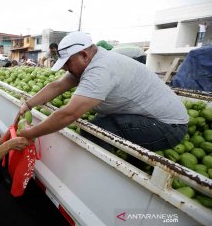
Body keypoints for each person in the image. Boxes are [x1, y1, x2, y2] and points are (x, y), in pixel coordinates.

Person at [17, 31, 188, 153]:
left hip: (168, 127)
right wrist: (28, 104)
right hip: (150, 119)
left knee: (98, 130)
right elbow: (56, 86)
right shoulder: (89, 63)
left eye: (67, 63)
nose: (66, 69)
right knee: (101, 124)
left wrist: (29, 133)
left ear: (84, 55)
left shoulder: (101, 69)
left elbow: (68, 114)